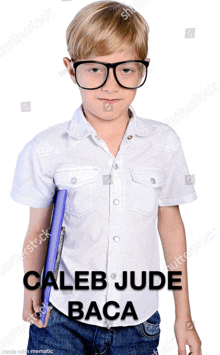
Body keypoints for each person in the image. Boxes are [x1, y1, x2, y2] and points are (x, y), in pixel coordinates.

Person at [10, 1, 202, 354]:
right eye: (95, 69)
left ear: (143, 68)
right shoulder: (47, 148)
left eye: (126, 69)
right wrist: (31, 291)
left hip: (138, 326)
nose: (110, 85)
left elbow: (171, 226)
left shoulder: (163, 143)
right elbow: (38, 230)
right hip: (61, 322)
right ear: (71, 70)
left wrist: (184, 317)